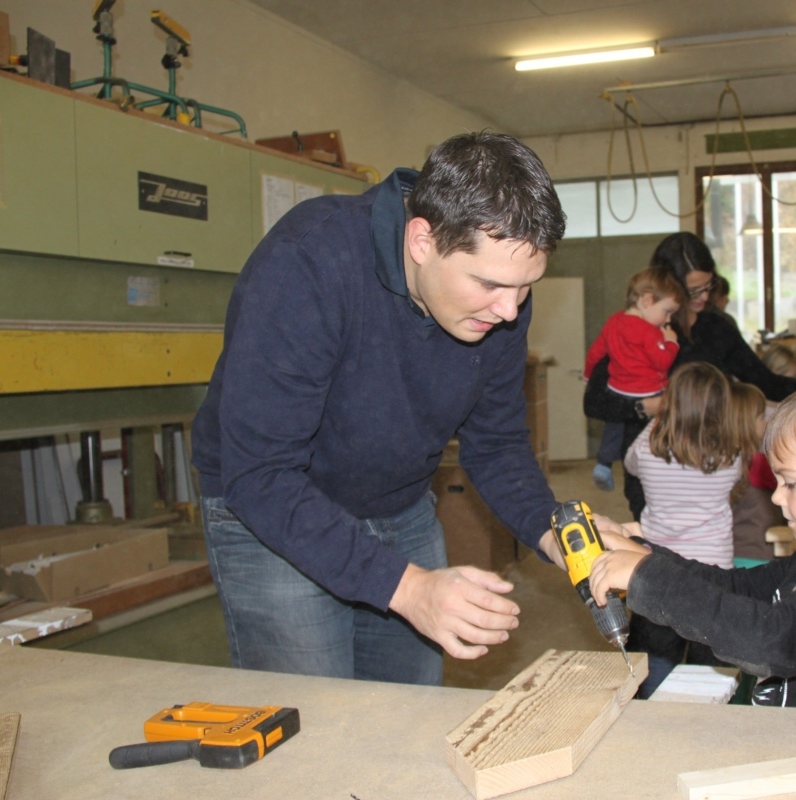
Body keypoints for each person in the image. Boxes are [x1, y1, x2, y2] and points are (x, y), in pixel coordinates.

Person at [190, 132, 569, 685]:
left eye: (525, 287)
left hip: (400, 507)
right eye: (489, 284)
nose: (510, 311)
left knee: (403, 715)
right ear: (421, 239)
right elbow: (261, 473)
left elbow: (497, 442)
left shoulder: (501, 298)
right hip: (276, 510)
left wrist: (555, 530)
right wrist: (408, 588)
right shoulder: (308, 261)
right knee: (315, 716)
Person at [591, 372, 796, 798]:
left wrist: (647, 579)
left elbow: (773, 642)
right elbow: (734, 588)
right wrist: (644, 555)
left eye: (791, 483)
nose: (777, 497)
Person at [585, 232, 796, 519]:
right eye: (693, 290)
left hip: (711, 467)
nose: (704, 297)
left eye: (708, 286)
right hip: (655, 469)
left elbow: (766, 382)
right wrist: (646, 406)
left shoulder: (717, 328)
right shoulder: (630, 329)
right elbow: (595, 403)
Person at [622, 362, 745, 697]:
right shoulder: (730, 454)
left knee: (654, 659)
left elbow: (630, 463)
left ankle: (651, 709)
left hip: (657, 568)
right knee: (709, 666)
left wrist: (657, 422)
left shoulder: (648, 448)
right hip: (713, 573)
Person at [584, 268, 683, 492]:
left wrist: (588, 375)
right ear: (647, 301)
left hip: (617, 390)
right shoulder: (650, 331)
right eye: (667, 312)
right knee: (656, 431)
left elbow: (596, 352)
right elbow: (662, 362)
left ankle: (603, 464)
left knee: (614, 427)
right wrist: (671, 343)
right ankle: (654, 467)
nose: (668, 320)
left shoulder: (613, 322)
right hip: (649, 391)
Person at [728, 381, 776, 569]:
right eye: (761, 417)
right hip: (757, 554)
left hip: (727, 552)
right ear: (747, 423)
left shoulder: (719, 463)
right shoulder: (758, 464)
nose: (765, 422)